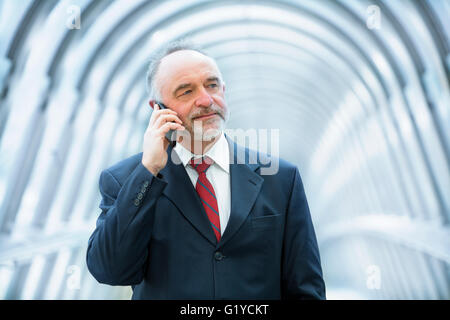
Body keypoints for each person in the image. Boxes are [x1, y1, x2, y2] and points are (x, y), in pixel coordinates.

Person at [86, 40, 326, 300]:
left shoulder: (280, 178)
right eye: (186, 91)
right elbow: (110, 270)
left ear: (224, 90)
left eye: (212, 85)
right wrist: (149, 171)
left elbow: (306, 288)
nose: (205, 99)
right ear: (158, 109)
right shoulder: (127, 180)